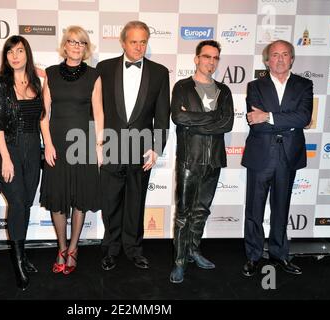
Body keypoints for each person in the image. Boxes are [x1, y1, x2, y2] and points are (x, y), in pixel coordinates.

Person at [97, 21, 170, 271]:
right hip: (111, 147)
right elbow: (95, 111)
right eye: (133, 41)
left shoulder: (160, 72)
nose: (139, 47)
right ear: (123, 42)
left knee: (136, 203)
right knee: (111, 202)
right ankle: (112, 248)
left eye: (143, 42)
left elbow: (162, 116)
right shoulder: (103, 68)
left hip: (142, 149)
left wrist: (157, 147)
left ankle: (134, 249)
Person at [242, 40, 313, 277]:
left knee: (281, 208)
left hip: (288, 156)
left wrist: (269, 116)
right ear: (267, 60)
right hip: (261, 155)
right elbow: (255, 121)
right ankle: (252, 256)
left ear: (292, 59)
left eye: (285, 54)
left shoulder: (304, 85)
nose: (280, 59)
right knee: (254, 209)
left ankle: (280, 254)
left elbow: (303, 118)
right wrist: (285, 121)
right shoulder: (255, 86)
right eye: (275, 55)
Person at [40, 26, 104, 275]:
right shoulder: (51, 74)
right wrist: (48, 144)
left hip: (84, 145)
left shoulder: (94, 76)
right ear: (64, 45)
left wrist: (99, 147)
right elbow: (44, 115)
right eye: (72, 42)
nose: (77, 46)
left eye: (81, 43)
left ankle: (74, 248)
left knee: (80, 199)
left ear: (86, 48)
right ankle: (61, 248)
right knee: (58, 199)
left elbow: (99, 114)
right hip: (56, 145)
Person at [169, 40, 234, 283]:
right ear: (197, 59)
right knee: (184, 213)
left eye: (216, 58)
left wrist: (195, 120)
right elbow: (178, 116)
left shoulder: (224, 91)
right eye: (207, 56)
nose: (211, 62)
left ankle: (194, 250)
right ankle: (179, 260)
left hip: (214, 159)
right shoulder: (182, 87)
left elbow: (227, 124)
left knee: (202, 210)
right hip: (190, 158)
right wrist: (212, 118)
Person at [0, 35, 42, 290]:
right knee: (18, 203)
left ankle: (23, 253)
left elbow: (42, 117)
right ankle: (18, 262)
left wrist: (48, 146)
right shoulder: (0, 83)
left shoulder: (35, 81)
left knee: (27, 202)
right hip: (8, 148)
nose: (15, 56)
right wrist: (6, 159)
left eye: (19, 51)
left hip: (33, 149)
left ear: (26, 54)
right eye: (10, 52)